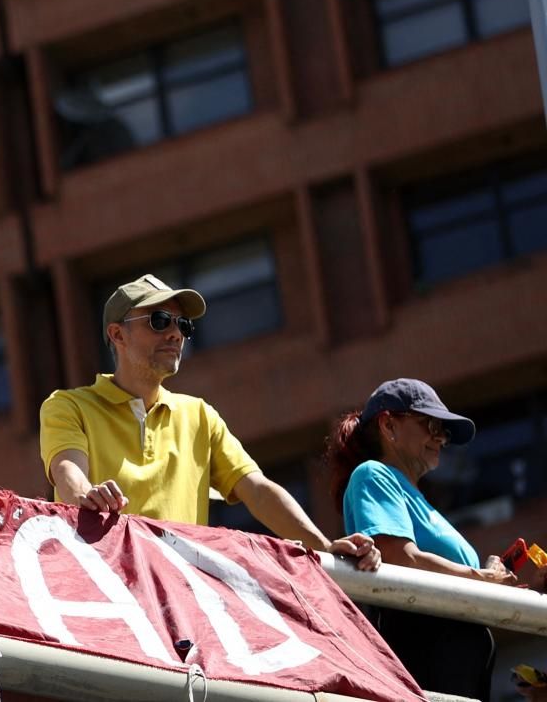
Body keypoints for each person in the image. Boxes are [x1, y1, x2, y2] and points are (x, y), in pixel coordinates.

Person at [39, 273, 379, 571]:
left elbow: (258, 491)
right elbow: (69, 474)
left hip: (179, 598)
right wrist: (87, 494)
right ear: (117, 334)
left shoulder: (199, 415)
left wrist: (322, 545)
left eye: (183, 325)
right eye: (159, 321)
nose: (175, 334)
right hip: (104, 588)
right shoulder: (69, 406)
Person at [327, 378, 523, 699]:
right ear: (389, 425)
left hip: (456, 670)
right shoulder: (373, 474)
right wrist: (480, 578)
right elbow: (399, 558)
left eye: (444, 432)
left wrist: (491, 577)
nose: (441, 439)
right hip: (424, 661)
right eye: (431, 425)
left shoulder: (419, 500)